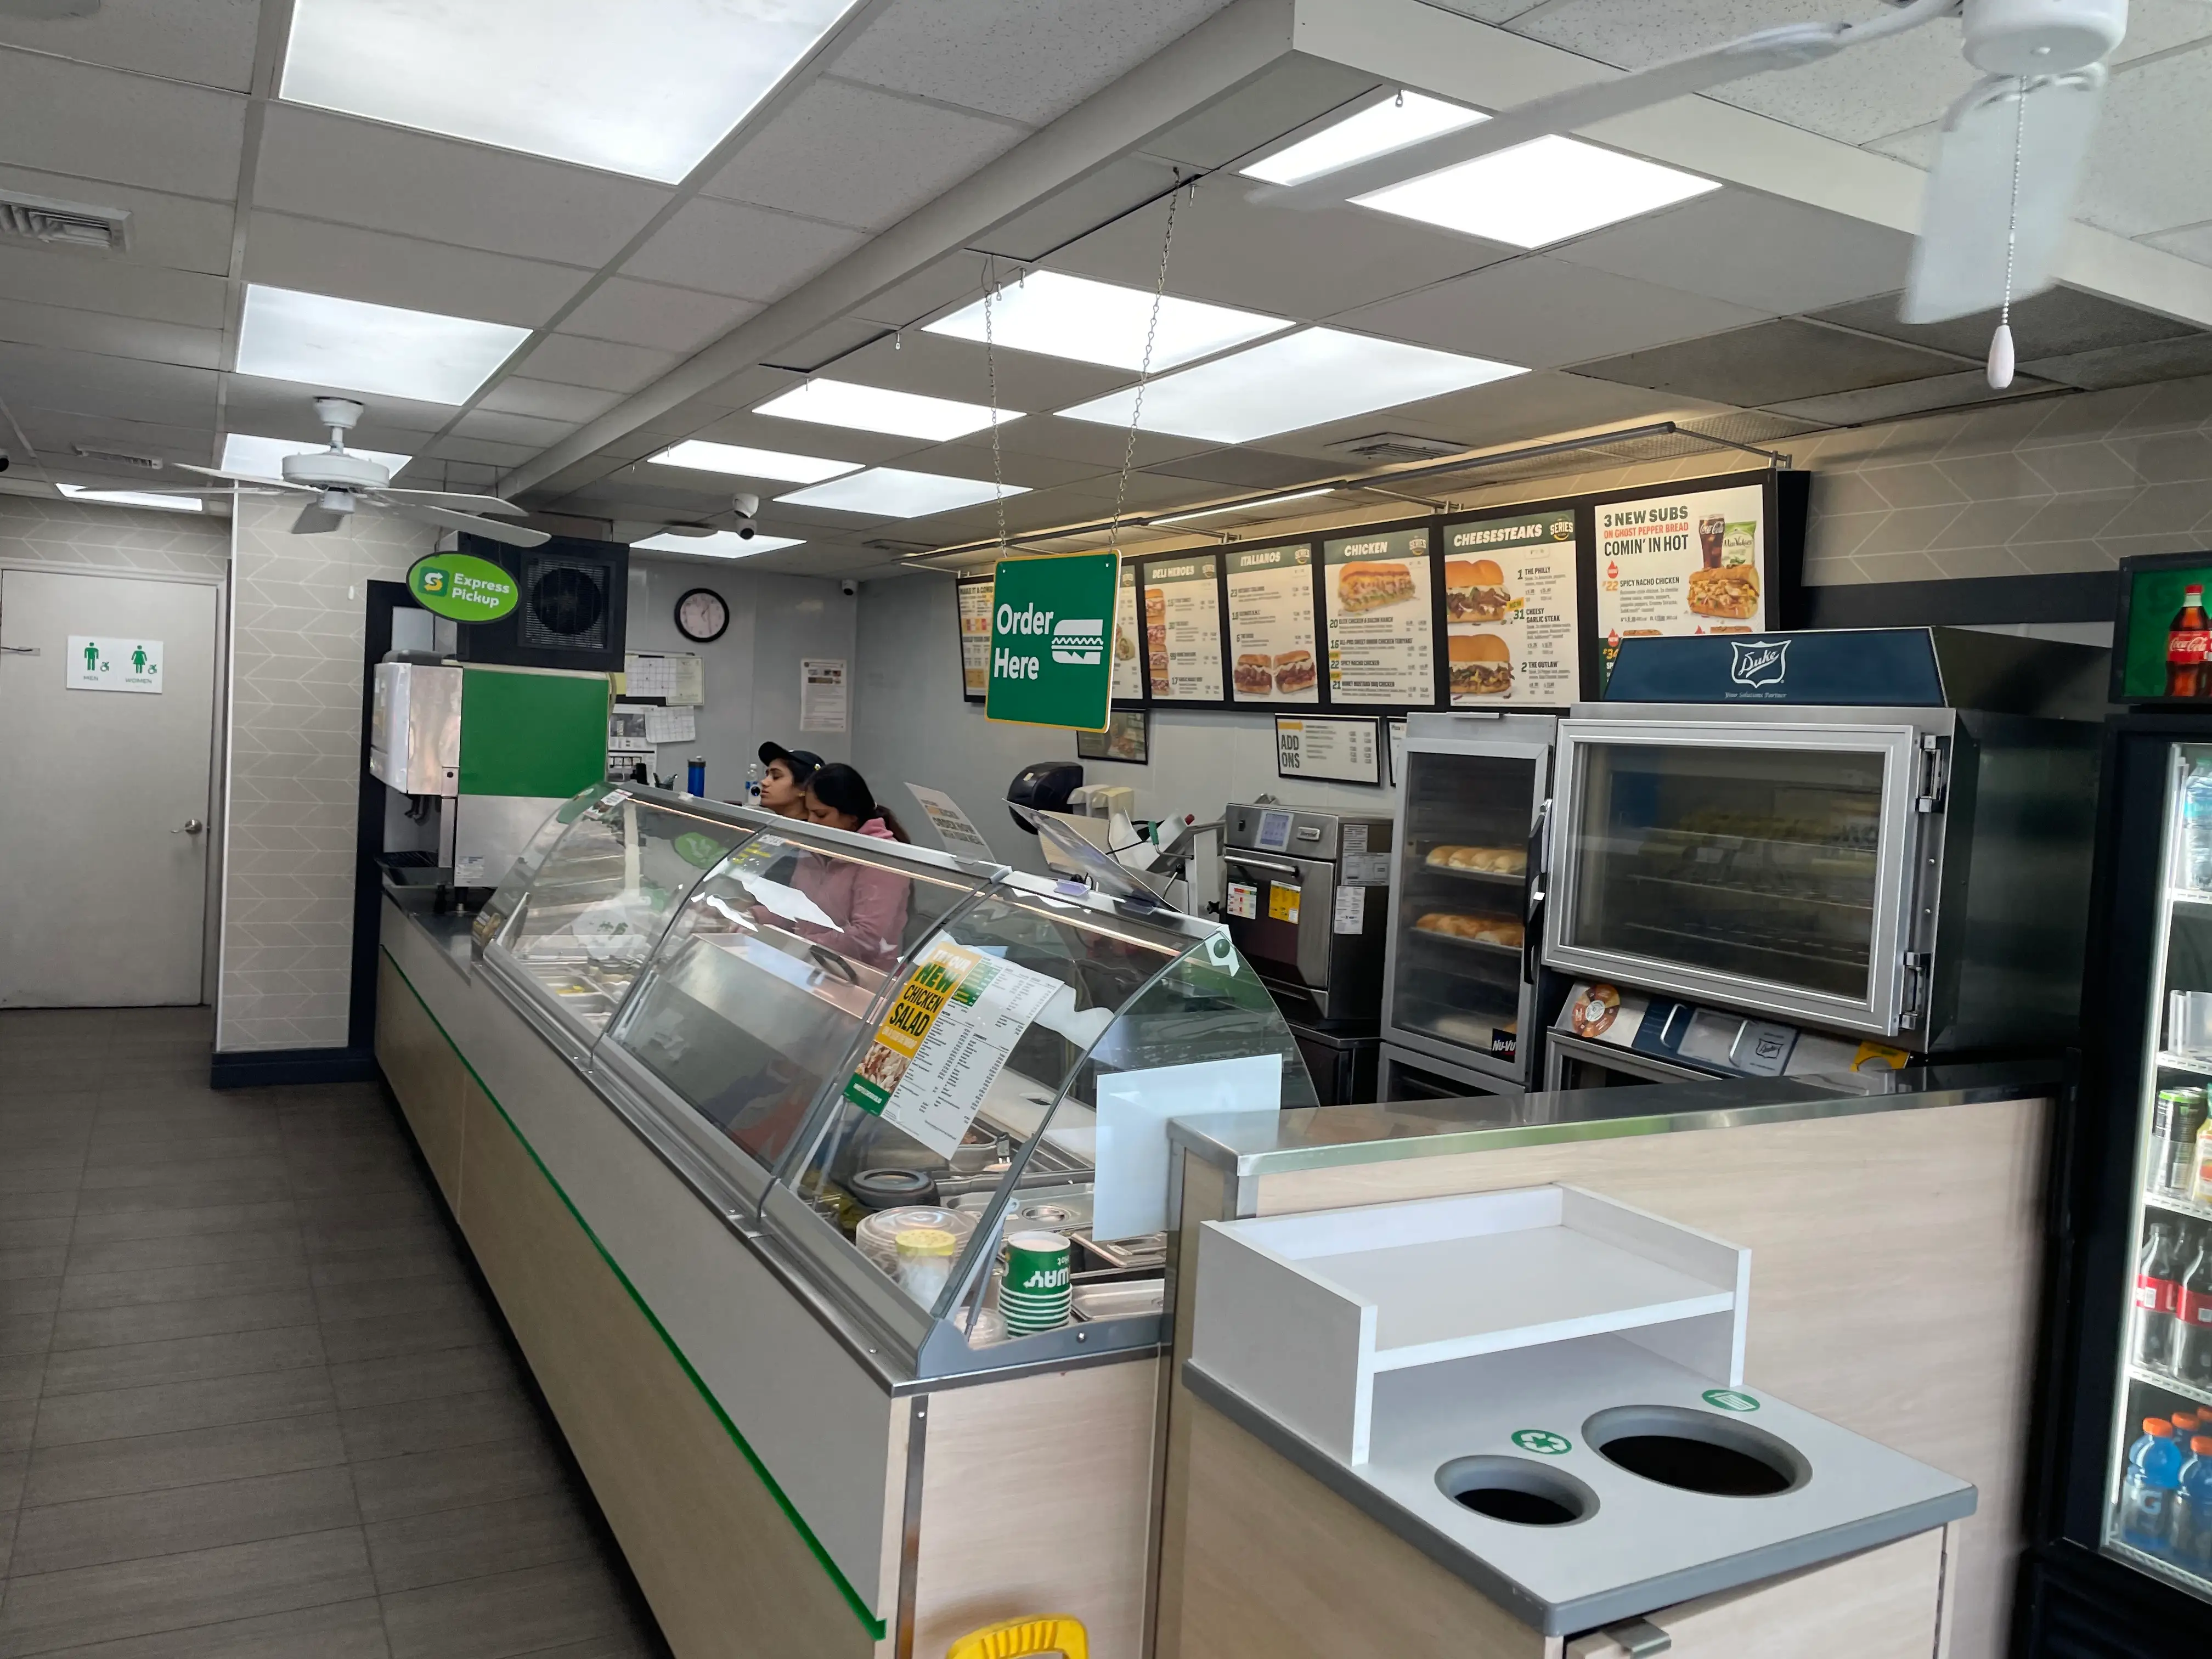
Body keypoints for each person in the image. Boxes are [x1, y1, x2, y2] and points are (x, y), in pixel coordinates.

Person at [791, 764, 912, 969]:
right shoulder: (815, 849)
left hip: (860, 977)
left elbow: (866, 938)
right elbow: (792, 908)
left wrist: (801, 946)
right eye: (809, 813)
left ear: (852, 818)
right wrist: (751, 917)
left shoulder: (883, 858)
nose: (811, 822)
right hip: (810, 965)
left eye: (820, 815)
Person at [757, 741, 822, 820]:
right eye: (767, 775)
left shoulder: (810, 831)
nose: (764, 782)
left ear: (803, 788)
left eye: (776, 777)